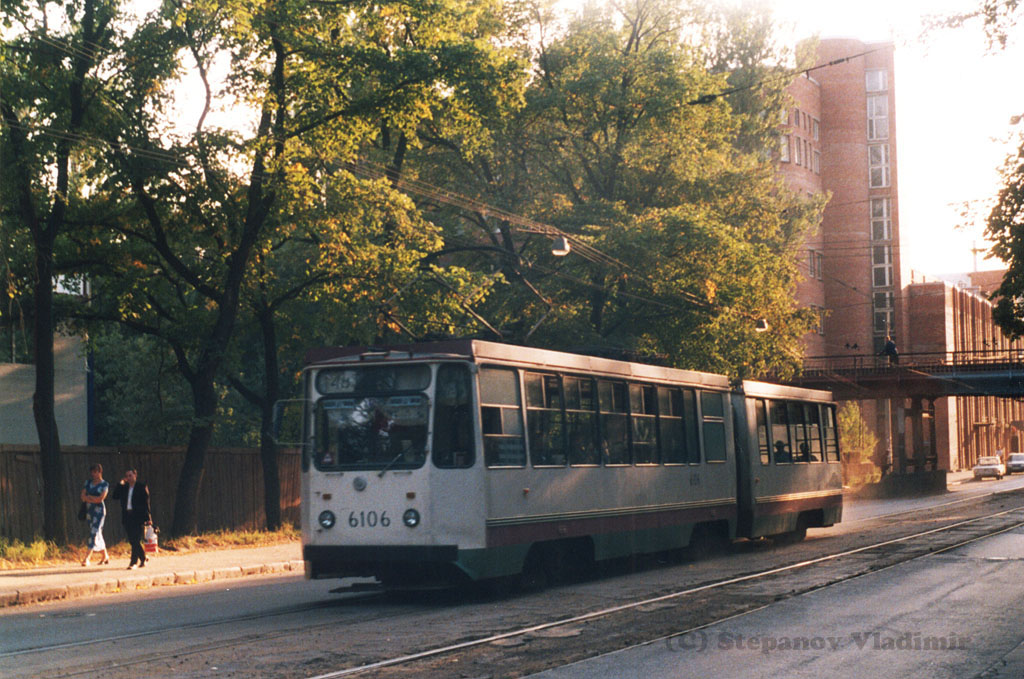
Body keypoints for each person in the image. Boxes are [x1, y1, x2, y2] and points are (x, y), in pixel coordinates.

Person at [111, 468, 152, 570]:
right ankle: (143, 557)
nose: (128, 478)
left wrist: (148, 517)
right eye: (127, 476)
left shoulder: (141, 487)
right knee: (132, 540)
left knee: (136, 539)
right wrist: (120, 484)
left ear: (135, 475)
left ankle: (133, 562)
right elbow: (115, 496)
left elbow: (146, 503)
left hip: (138, 516)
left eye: (130, 475)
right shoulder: (124, 488)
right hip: (127, 516)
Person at [80, 464, 110, 566]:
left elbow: (100, 499)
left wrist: (89, 497)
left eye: (95, 472)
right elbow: (83, 496)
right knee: (97, 533)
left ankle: (87, 558)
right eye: (92, 472)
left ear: (100, 472)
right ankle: (105, 555)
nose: (93, 474)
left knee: (94, 532)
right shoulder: (88, 482)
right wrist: (92, 498)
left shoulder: (104, 484)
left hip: (99, 511)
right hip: (89, 511)